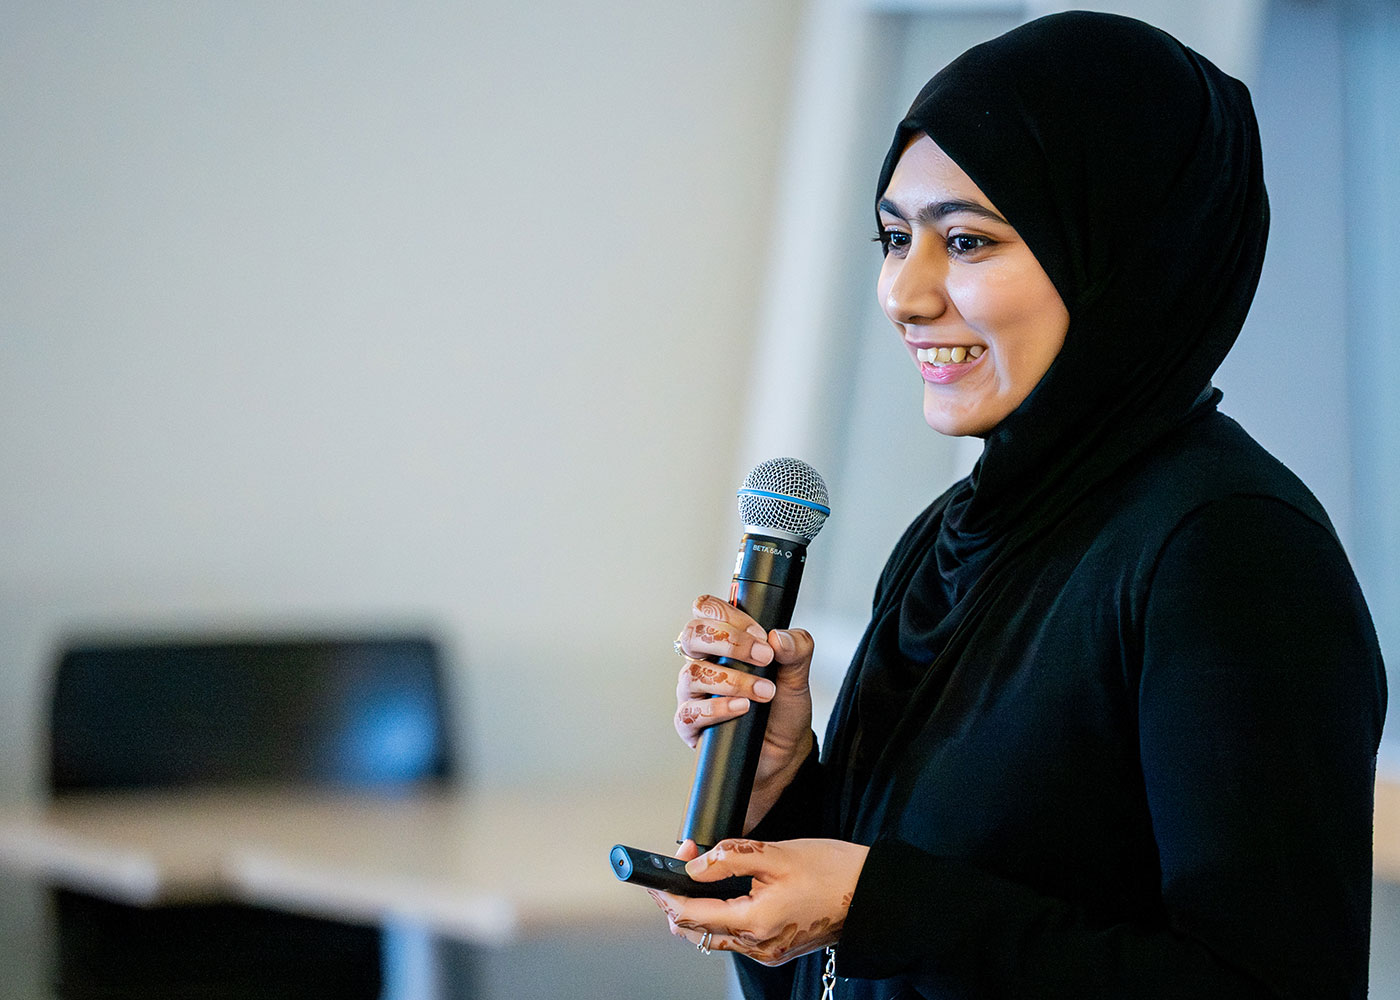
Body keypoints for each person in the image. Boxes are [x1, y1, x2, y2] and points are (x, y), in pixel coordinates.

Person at [655, 11, 1387, 1000]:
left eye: (964, 240)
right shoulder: (946, 542)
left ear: (1117, 251)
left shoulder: (1227, 550)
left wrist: (879, 905)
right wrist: (783, 794)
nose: (903, 294)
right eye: (893, 238)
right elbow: (857, 968)